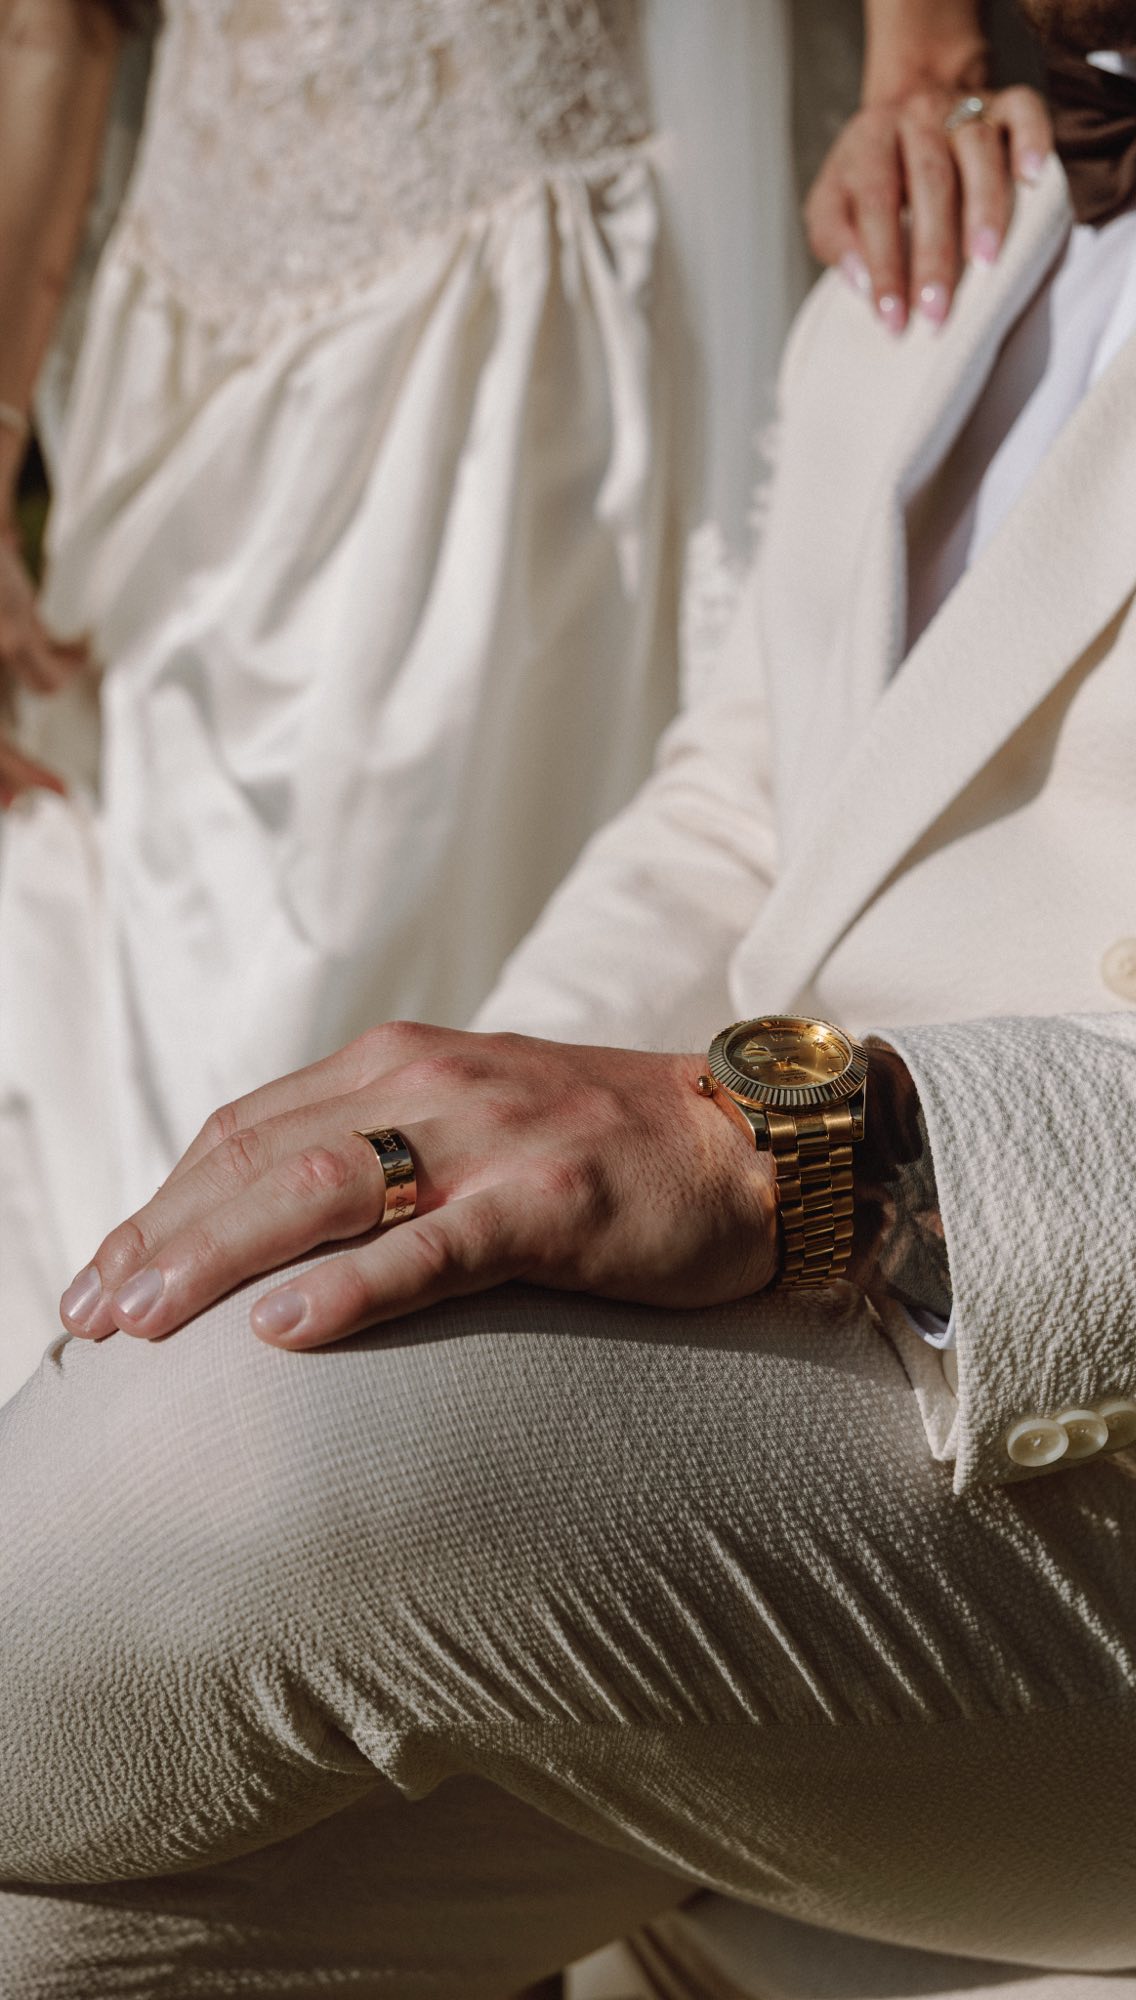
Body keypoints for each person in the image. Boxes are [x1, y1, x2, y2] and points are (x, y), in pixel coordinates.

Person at [6, 0, 1136, 1995]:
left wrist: (815, 1156)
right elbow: (751, 797)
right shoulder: (954, 183)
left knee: (244, 1448)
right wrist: (435, 1151)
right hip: (805, 1431)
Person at [0, 0, 1030, 1408]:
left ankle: (356, 1435)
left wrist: (925, 65)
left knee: (422, 929)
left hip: (508, 326)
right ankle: (115, 1443)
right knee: (138, 945)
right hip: (189, 344)